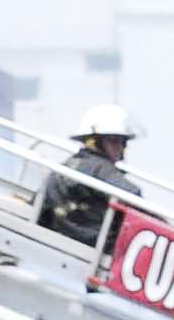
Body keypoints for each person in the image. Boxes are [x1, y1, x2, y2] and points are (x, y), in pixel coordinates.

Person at [35, 105, 143, 248]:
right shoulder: (98, 168)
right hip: (101, 244)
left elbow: (38, 206)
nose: (121, 147)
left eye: (123, 142)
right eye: (114, 140)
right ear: (95, 142)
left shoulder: (63, 168)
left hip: (71, 239)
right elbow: (133, 195)